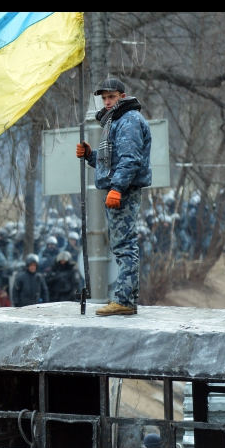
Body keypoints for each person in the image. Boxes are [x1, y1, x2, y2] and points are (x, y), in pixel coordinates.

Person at [77, 78, 152, 316]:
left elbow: (130, 159)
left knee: (125, 246)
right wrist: (91, 155)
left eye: (111, 97)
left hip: (123, 192)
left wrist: (117, 188)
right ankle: (125, 298)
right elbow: (114, 159)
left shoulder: (128, 120)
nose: (107, 101)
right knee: (123, 245)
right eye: (104, 98)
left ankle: (125, 300)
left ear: (122, 95)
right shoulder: (117, 120)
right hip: (120, 189)